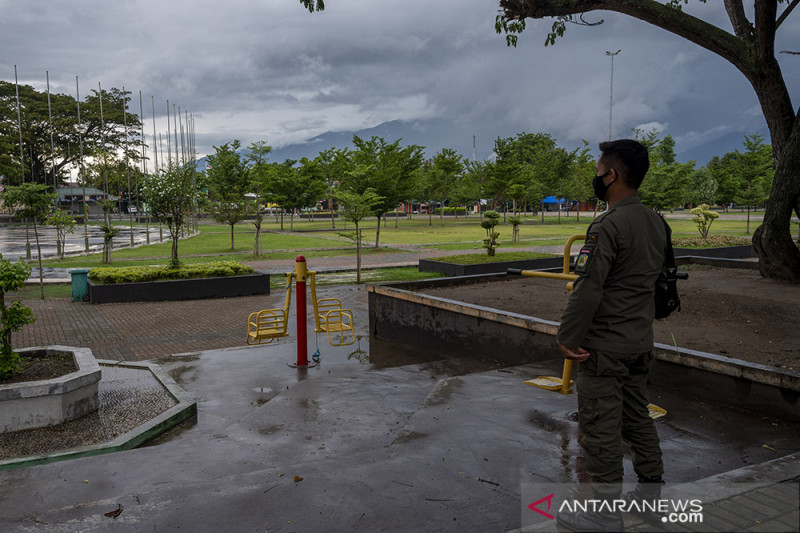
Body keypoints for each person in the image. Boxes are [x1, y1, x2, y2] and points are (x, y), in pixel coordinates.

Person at [555, 139, 667, 532]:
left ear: (612, 175)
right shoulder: (656, 221)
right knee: (637, 417)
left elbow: (588, 288)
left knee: (601, 431)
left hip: (604, 348)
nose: (597, 176)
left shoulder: (608, 224)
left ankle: (602, 518)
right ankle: (652, 496)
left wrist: (567, 337)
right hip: (639, 341)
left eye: (599, 170)